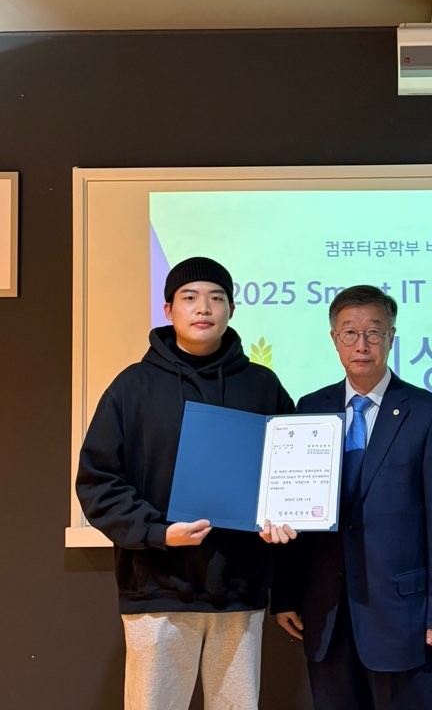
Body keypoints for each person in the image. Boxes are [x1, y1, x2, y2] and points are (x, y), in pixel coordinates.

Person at [76, 256, 295, 710]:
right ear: (168, 309)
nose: (204, 308)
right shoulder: (132, 388)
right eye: (190, 297)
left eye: (216, 298)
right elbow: (98, 481)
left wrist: (283, 514)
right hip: (157, 587)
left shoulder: (261, 386)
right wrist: (158, 532)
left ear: (232, 309)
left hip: (239, 589)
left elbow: (288, 471)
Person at [273, 284, 432, 710]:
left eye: (374, 332)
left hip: (401, 614)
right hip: (325, 611)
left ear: (391, 337)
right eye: (349, 333)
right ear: (334, 339)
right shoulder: (310, 408)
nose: (361, 345)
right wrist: (286, 594)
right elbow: (291, 513)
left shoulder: (427, 413)